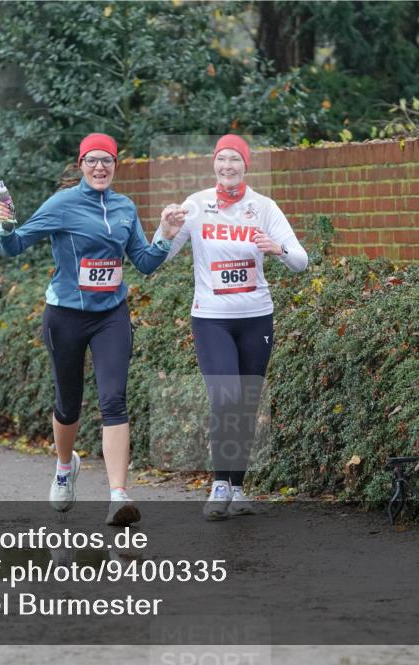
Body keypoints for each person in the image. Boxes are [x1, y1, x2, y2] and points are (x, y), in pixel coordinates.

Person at [0, 133, 183, 526]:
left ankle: (118, 496)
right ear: (81, 165)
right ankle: (65, 467)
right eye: (92, 160)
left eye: (107, 161)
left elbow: (145, 264)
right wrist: (5, 228)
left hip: (110, 315)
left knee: (114, 399)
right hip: (64, 316)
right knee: (68, 403)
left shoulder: (125, 208)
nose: (100, 167)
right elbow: (14, 248)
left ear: (116, 166)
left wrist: (164, 233)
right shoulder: (63, 204)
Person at [154, 134, 308, 520]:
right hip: (211, 318)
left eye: (234, 160)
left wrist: (278, 249)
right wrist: (165, 230)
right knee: (225, 397)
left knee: (246, 402)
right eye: (222, 160)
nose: (227, 167)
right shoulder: (196, 205)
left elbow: (301, 261)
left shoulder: (264, 207)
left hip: (257, 316)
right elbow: (162, 256)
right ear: (214, 164)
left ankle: (238, 489)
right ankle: (218, 484)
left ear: (245, 165)